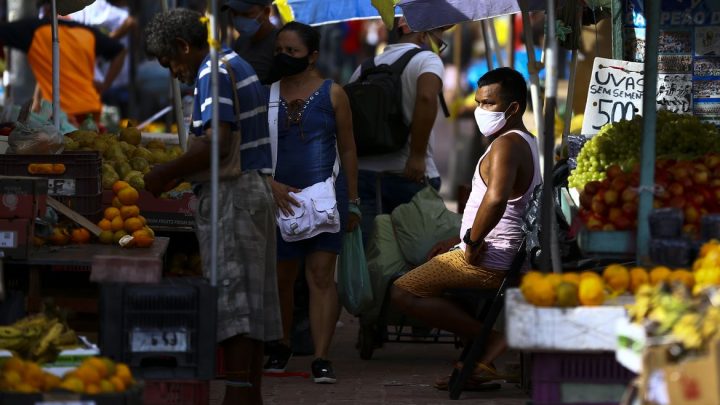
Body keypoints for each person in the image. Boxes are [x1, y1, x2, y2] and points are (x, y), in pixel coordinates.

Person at [143, 8, 282, 405]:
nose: (172, 72)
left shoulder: (212, 72)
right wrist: (176, 176)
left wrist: (164, 172)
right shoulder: (230, 63)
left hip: (235, 197)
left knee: (236, 309)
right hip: (249, 191)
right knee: (250, 308)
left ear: (184, 47)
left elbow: (216, 141)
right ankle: (248, 395)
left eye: (170, 61)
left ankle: (237, 396)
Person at [391, 67, 540, 389]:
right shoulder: (522, 141)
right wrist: (458, 239)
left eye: (488, 104)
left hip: (492, 257)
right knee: (439, 287)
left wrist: (472, 241)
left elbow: (497, 199)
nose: (480, 111)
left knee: (403, 291)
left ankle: (492, 339)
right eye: (478, 103)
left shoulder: (507, 145)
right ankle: (476, 363)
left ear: (513, 108)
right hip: (496, 250)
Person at [266, 21, 359, 384]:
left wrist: (353, 200)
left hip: (325, 196)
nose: (284, 57)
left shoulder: (334, 93)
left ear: (312, 56)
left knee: (320, 277)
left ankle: (321, 357)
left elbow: (349, 148)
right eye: (280, 51)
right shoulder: (267, 94)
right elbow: (252, 149)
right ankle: (282, 343)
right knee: (280, 278)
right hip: (278, 197)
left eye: (292, 51)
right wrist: (268, 183)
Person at [347, 17, 448, 245]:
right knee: (416, 258)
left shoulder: (364, 67)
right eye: (438, 35)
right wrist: (417, 155)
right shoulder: (427, 59)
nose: (439, 45)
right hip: (409, 174)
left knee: (369, 254)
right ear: (420, 33)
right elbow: (426, 97)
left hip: (364, 175)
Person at [0, 2, 126, 125]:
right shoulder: (88, 32)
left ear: (46, 9)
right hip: (90, 109)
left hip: (61, 115)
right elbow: (120, 51)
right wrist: (105, 85)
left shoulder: (35, 29)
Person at [68, 0, 138, 116]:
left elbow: (129, 23)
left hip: (89, 87)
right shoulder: (48, 8)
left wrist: (104, 43)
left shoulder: (93, 5)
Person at [222, 0, 278, 85]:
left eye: (246, 14)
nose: (239, 20)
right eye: (235, 14)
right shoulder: (241, 41)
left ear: (266, 12)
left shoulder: (280, 44)